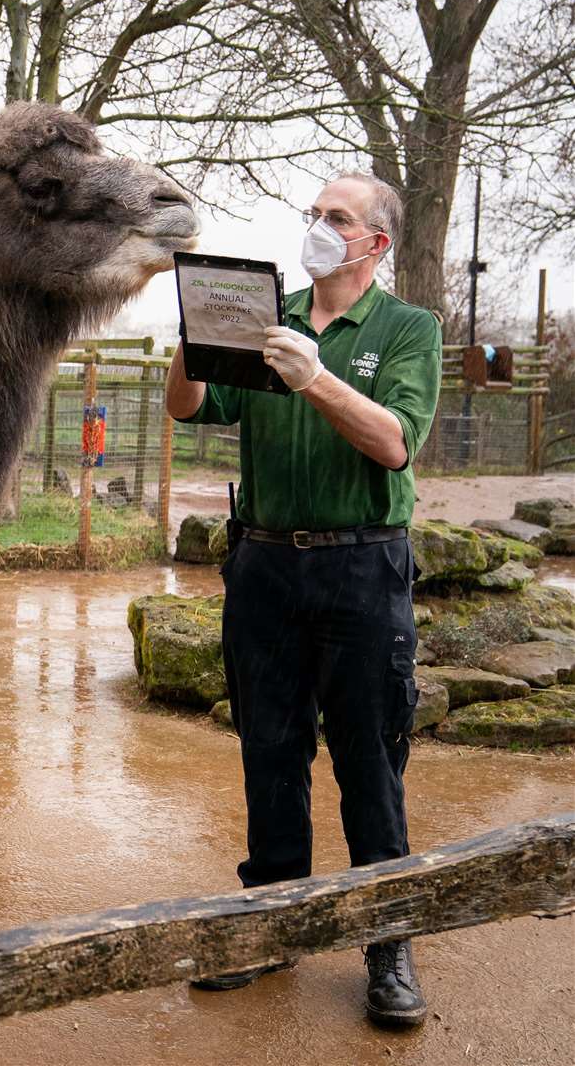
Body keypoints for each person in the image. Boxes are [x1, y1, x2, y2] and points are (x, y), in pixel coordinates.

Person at [167, 173, 441, 1026]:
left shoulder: (408, 330)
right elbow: (191, 407)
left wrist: (316, 377)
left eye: (338, 218)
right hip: (265, 566)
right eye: (313, 214)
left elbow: (395, 444)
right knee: (270, 752)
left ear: (375, 244)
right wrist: (193, 336)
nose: (319, 227)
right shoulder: (266, 315)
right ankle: (269, 926)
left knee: (369, 761)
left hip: (362, 567)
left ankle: (387, 942)